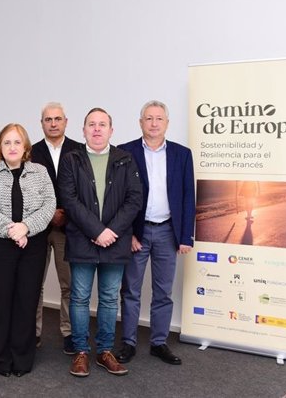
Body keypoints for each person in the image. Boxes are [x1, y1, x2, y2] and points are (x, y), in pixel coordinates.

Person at [58, 107, 142, 378]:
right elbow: (69, 199)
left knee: (108, 299)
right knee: (80, 298)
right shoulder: (71, 160)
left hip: (115, 241)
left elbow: (134, 200)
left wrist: (110, 231)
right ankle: (81, 352)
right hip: (83, 240)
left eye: (102, 124)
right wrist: (96, 231)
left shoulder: (125, 159)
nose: (96, 129)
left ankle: (105, 351)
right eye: (91, 124)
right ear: (83, 130)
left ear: (111, 130)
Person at [115, 100, 194, 366]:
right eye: (148, 118)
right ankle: (128, 342)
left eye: (159, 119)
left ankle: (159, 343)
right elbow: (118, 198)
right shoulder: (125, 152)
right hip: (137, 233)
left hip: (167, 233)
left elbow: (187, 196)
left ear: (167, 123)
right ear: (140, 123)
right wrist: (127, 235)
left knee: (163, 292)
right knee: (131, 291)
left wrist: (185, 236)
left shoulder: (182, 155)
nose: (154, 123)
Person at [0, 123, 56, 377]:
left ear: (25, 147)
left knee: (26, 301)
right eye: (7, 142)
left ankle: (22, 359)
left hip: (31, 246)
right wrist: (11, 230)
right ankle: (0, 358)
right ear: (0, 146)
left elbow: (49, 204)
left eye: (17, 142)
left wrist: (26, 228)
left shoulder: (40, 172)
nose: (12, 147)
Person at [31, 102, 81, 354]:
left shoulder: (79, 150)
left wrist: (65, 214)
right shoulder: (30, 151)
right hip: (37, 227)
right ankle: (33, 332)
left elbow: (83, 190)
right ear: (41, 123)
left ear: (65, 121)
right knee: (33, 283)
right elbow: (26, 189)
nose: (53, 123)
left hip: (68, 228)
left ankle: (69, 332)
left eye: (57, 119)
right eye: (48, 119)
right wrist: (47, 214)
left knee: (68, 285)